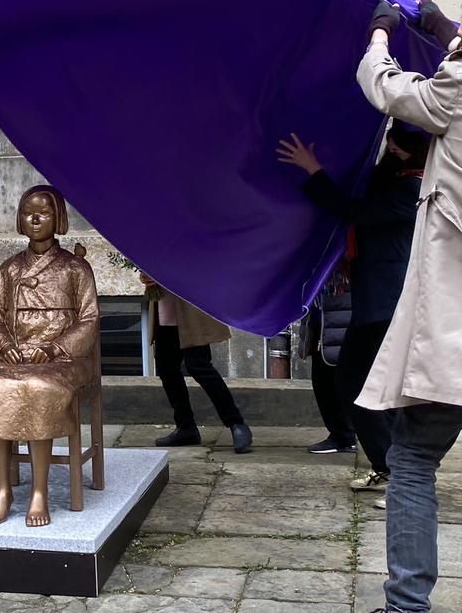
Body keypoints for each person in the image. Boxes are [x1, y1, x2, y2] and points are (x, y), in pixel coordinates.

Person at [352, 0, 462, 613]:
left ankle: (405, 611)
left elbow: (387, 87)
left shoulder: (456, 89)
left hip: (453, 332)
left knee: (414, 459)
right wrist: (444, 30)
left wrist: (380, 31)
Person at [278, 118, 427, 492]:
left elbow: (353, 211)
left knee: (361, 385)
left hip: (387, 305)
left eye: (401, 144)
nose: (392, 147)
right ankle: (393, 467)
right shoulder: (395, 179)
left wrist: (313, 170)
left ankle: (400, 473)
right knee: (357, 384)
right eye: (392, 139)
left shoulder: (412, 187)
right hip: (374, 304)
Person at [0, 185, 99, 527]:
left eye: (43, 212)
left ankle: (39, 492)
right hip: (15, 357)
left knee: (40, 388)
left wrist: (55, 348)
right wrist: (6, 347)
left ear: (57, 217)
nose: (35, 219)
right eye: (28, 213)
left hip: (62, 360)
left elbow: (89, 320)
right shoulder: (10, 269)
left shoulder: (75, 268)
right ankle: (3, 491)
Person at [141, 274, 253, 454]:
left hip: (190, 304)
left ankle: (236, 424)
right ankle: (186, 427)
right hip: (164, 304)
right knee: (166, 368)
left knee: (198, 365)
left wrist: (162, 272)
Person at [298, 259, 356, 454]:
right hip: (323, 320)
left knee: (333, 380)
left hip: (337, 319)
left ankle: (344, 436)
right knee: (324, 379)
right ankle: (343, 434)